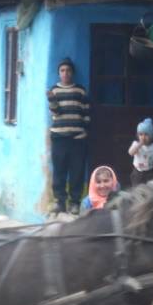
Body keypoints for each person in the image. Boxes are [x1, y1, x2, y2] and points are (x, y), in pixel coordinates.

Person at [79, 165, 125, 305]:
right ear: (93, 183)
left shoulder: (121, 200)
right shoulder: (87, 203)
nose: (103, 185)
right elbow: (81, 229)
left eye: (107, 181)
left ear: (113, 181)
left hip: (115, 259)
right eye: (99, 181)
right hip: (93, 262)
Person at [47, 57, 90, 214]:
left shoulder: (80, 90)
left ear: (73, 73)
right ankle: (60, 202)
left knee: (77, 171)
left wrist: (85, 132)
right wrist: (51, 100)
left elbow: (86, 112)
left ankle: (75, 202)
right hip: (59, 137)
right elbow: (55, 112)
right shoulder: (54, 90)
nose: (65, 73)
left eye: (68, 70)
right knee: (59, 170)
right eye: (62, 70)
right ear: (59, 73)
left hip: (77, 139)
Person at [128, 118, 153, 188]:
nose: (143, 137)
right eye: (141, 134)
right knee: (136, 190)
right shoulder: (136, 144)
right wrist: (139, 145)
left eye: (146, 135)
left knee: (149, 190)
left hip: (149, 172)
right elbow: (131, 153)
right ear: (138, 135)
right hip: (137, 172)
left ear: (151, 136)